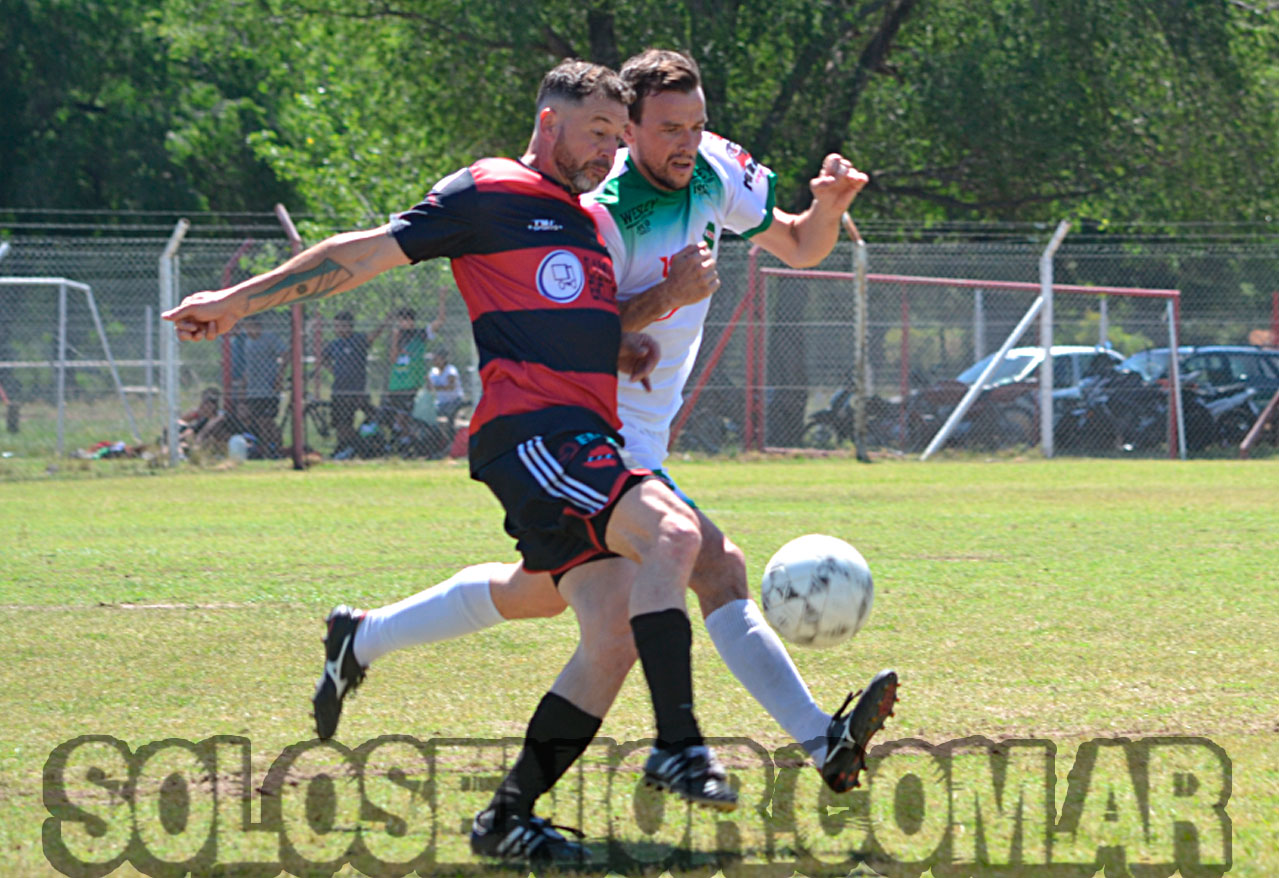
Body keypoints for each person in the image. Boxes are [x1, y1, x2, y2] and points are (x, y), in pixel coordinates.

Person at [164, 58, 735, 866]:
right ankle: (678, 744)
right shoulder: (488, 191)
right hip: (534, 436)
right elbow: (358, 255)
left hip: (582, 436)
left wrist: (633, 335)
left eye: (617, 137)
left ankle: (506, 816)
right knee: (674, 536)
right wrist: (233, 302)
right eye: (597, 133)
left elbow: (578, 327)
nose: (609, 153)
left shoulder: (588, 223)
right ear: (547, 124)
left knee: (610, 633)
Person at [315, 48, 898, 797]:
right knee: (710, 564)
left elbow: (800, 246)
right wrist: (655, 304)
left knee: (538, 592)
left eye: (695, 124)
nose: (685, 142)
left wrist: (830, 207)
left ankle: (361, 637)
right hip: (590, 432)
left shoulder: (716, 169)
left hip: (639, 436)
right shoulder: (598, 213)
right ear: (627, 132)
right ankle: (808, 742)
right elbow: (574, 333)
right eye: (666, 129)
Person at [318, 311, 388, 456]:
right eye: (335, 326)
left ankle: (368, 443)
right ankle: (345, 447)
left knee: (371, 414)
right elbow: (323, 358)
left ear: (348, 326)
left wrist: (385, 322)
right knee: (341, 422)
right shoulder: (335, 344)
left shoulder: (358, 339)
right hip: (339, 389)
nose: (336, 329)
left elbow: (373, 336)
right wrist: (334, 371)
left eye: (339, 326)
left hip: (357, 388)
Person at [383, 292, 446, 418]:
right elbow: (393, 359)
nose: (402, 323)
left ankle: (409, 436)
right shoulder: (397, 336)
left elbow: (439, 321)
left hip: (412, 383)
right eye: (400, 320)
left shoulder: (419, 334)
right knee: (395, 415)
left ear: (411, 320)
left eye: (405, 320)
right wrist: (395, 339)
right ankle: (402, 435)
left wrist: (441, 299)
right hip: (396, 383)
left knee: (408, 415)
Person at [239, 312, 286, 456]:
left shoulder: (270, 338)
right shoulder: (248, 342)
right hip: (254, 389)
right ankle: (266, 451)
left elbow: (285, 354)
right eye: (246, 328)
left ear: (257, 326)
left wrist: (280, 376)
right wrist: (244, 382)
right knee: (259, 422)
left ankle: (278, 449)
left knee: (268, 421)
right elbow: (249, 365)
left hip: (269, 389)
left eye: (250, 327)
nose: (248, 331)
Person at [428, 347, 466, 422]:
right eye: (433, 359)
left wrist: (435, 387)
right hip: (441, 402)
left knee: (448, 415)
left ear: (443, 359)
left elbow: (451, 387)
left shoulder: (450, 370)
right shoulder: (433, 371)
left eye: (436, 359)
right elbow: (429, 387)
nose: (434, 361)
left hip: (454, 401)